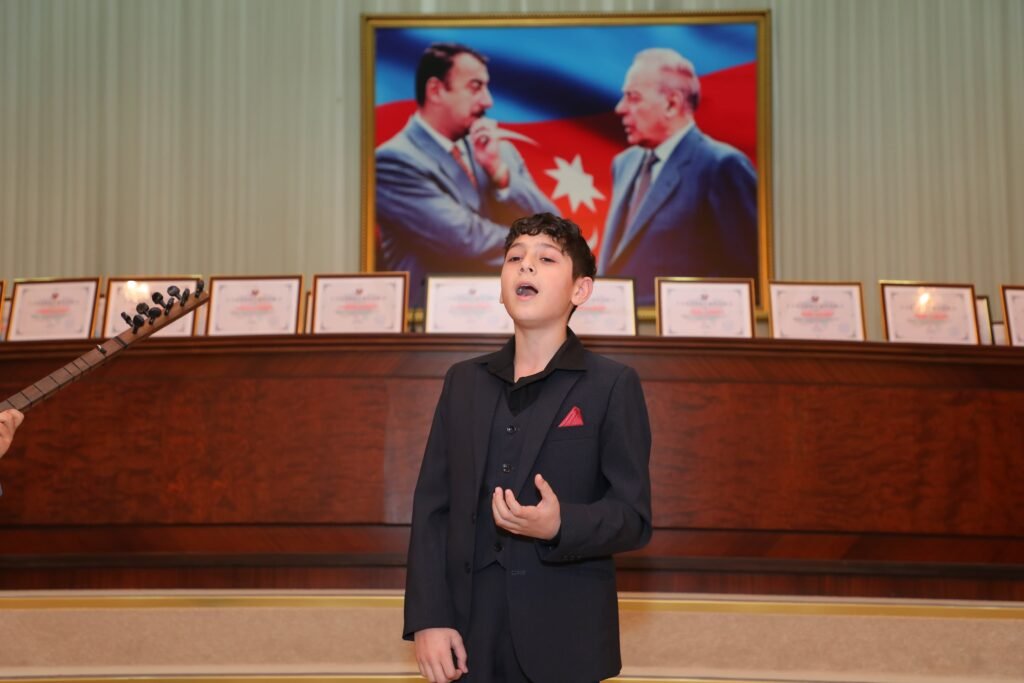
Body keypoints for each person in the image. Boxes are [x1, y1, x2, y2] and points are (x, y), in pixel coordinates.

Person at [404, 212, 653, 683]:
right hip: (466, 633)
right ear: (501, 288)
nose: (526, 266)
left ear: (580, 290)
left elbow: (632, 517)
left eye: (546, 258)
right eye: (515, 257)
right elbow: (432, 508)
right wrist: (429, 619)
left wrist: (560, 524)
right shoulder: (463, 382)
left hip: (565, 637)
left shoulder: (612, 385)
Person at [375, 43, 558, 307]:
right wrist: (546, 249)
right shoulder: (393, 161)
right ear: (435, 90)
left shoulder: (500, 152)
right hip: (436, 321)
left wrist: (502, 176)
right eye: (475, 87)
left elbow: (554, 223)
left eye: (486, 87)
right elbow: (465, 240)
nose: (488, 101)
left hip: (509, 317)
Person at [600, 48, 759, 306]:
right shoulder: (624, 164)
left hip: (683, 326)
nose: (620, 108)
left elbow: (746, 275)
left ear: (672, 104)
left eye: (633, 98)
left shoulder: (722, 166)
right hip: (616, 324)